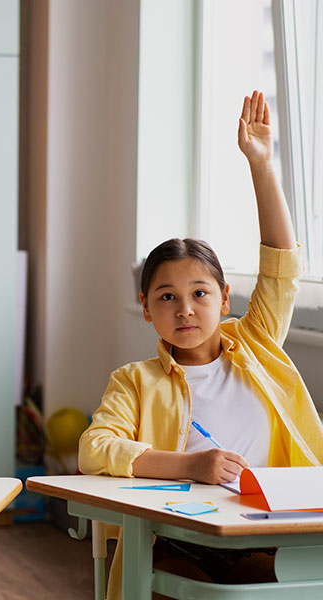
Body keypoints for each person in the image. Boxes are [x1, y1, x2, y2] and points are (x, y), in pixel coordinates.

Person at [78, 91, 323, 598]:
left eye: (199, 294)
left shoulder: (257, 345)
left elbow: (282, 267)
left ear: (223, 299)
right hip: (178, 540)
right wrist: (191, 465)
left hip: (270, 535)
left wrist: (262, 165)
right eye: (167, 297)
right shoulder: (134, 380)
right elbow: (94, 449)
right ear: (146, 308)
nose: (184, 309)